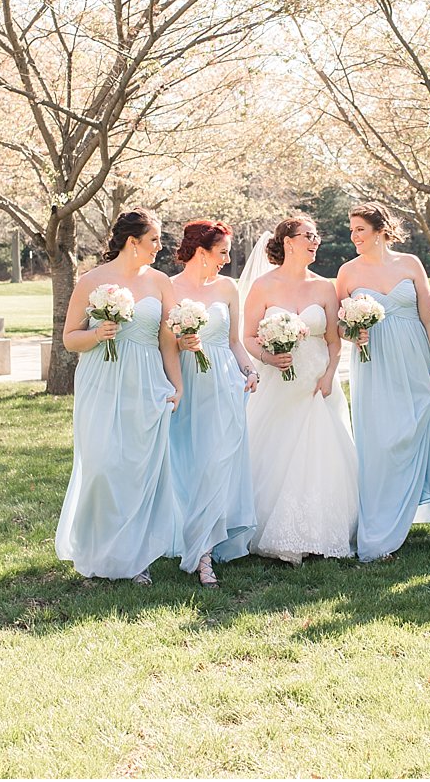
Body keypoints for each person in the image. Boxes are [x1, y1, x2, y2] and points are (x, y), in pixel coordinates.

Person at [54, 209, 182, 585]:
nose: (160, 246)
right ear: (133, 242)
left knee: (137, 469)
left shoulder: (161, 283)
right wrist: (98, 334)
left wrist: (177, 386)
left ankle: (132, 556)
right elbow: (69, 337)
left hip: (146, 383)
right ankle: (96, 552)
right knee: (102, 465)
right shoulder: (91, 281)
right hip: (101, 380)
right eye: (155, 239)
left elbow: (168, 342)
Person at [240, 216, 358, 564]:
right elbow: (246, 336)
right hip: (277, 383)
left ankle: (319, 531)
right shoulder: (263, 286)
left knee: (321, 454)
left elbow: (335, 341)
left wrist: (328, 375)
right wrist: (267, 357)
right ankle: (268, 529)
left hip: (317, 384)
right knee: (275, 451)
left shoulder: (324, 287)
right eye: (308, 235)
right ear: (288, 242)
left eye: (316, 235)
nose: (315, 241)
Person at [335, 201, 430, 562]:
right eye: (351, 230)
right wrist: (354, 333)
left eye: (359, 230)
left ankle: (402, 516)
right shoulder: (347, 272)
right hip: (374, 363)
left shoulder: (410, 263)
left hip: (414, 360)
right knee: (378, 441)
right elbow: (338, 325)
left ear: (381, 230)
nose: (353, 237)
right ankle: (378, 528)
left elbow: (429, 319)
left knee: (411, 433)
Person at [168, 219, 257, 587]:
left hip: (224, 384)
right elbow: (163, 343)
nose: (226, 259)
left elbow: (235, 341)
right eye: (222, 252)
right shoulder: (168, 288)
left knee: (216, 462)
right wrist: (180, 344)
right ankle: (190, 536)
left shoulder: (228, 287)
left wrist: (250, 370)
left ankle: (204, 554)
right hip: (186, 383)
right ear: (201, 252)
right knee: (190, 463)